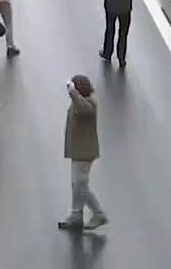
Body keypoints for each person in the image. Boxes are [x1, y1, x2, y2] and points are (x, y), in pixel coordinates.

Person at [58, 75, 107, 232]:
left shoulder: (89, 105)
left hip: (84, 153)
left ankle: (98, 213)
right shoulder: (80, 103)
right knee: (76, 184)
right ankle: (76, 215)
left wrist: (72, 92)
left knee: (81, 186)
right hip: (78, 151)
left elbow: (83, 108)